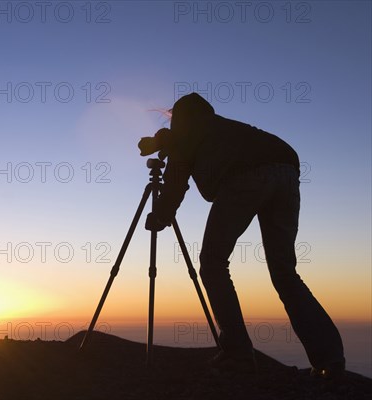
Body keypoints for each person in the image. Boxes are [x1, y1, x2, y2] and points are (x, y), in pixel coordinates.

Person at [139, 93, 345, 378]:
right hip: (286, 170)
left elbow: (175, 184)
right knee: (284, 272)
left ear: (181, 117)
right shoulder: (222, 127)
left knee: (212, 262)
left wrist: (160, 216)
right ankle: (330, 360)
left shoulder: (185, 135)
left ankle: (238, 354)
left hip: (244, 177)